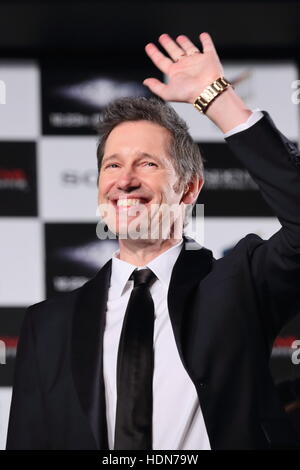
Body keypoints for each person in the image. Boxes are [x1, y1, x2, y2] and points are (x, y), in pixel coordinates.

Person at [6, 32, 300, 450]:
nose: (125, 180)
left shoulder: (241, 286)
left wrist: (220, 103)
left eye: (147, 163)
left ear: (190, 188)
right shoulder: (48, 325)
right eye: (113, 165)